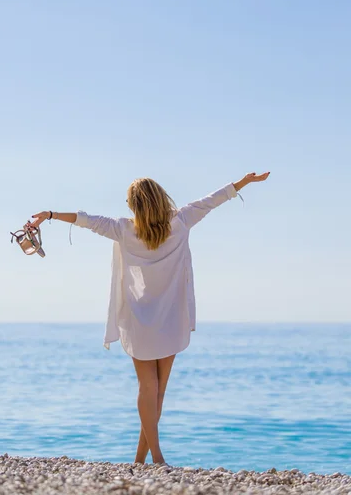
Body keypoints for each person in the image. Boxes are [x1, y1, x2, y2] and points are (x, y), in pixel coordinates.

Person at [26, 171, 270, 465]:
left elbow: (85, 220)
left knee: (147, 387)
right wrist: (242, 184)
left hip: (138, 317)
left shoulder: (122, 229)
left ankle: (144, 459)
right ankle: (153, 458)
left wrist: (50, 214)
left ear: (136, 206)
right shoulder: (181, 221)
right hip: (171, 315)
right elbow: (212, 201)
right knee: (159, 391)